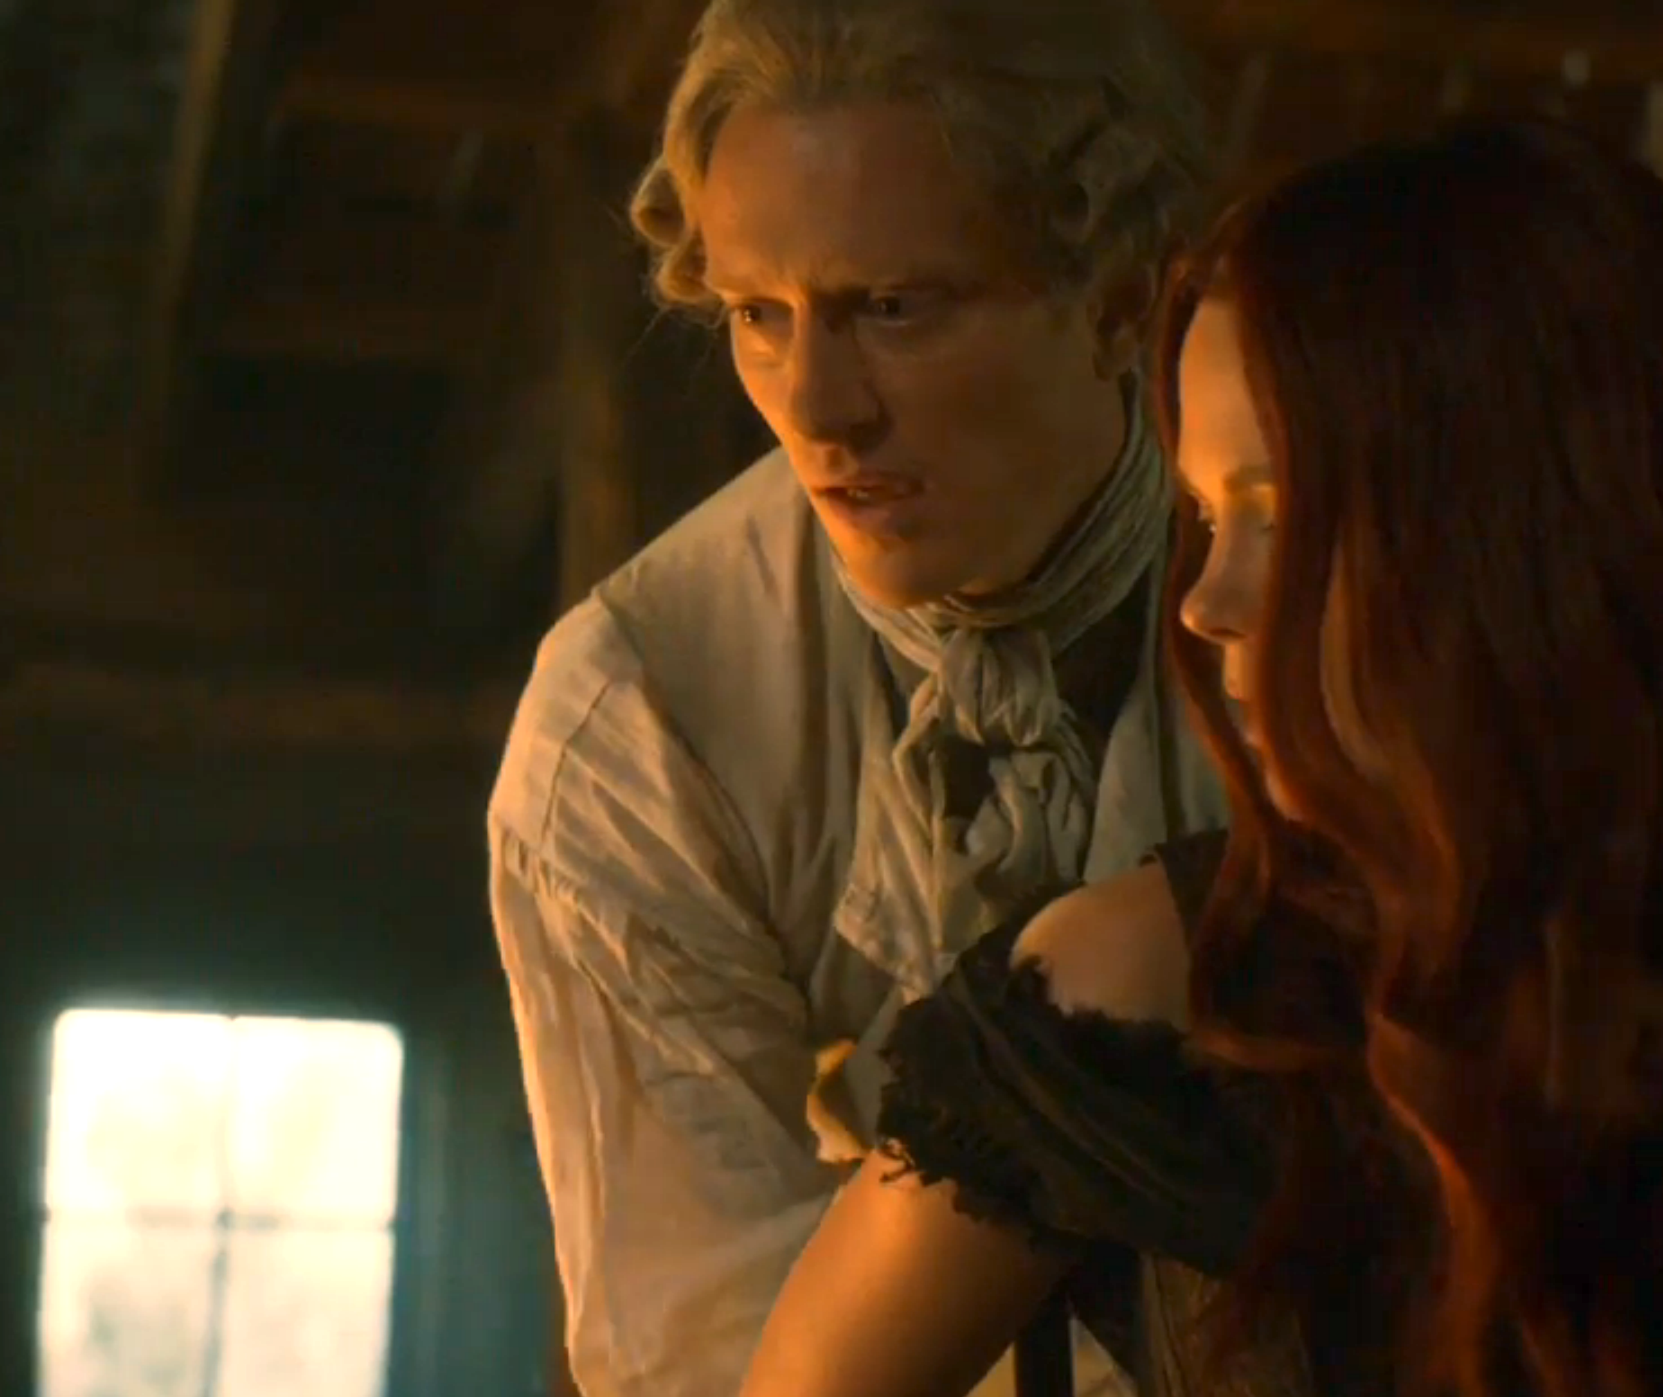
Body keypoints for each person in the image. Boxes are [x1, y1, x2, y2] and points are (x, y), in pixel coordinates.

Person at [737, 116, 1663, 1397]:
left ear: (1523, 529)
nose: (1207, 603)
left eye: (1280, 513)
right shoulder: (1143, 999)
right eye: (1205, 518)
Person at [482, 0, 1223, 1392]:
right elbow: (706, 1340)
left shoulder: (1333, 598)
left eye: (894, 308)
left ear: (1120, 300)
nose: (818, 409)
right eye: (758, 316)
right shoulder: (639, 722)